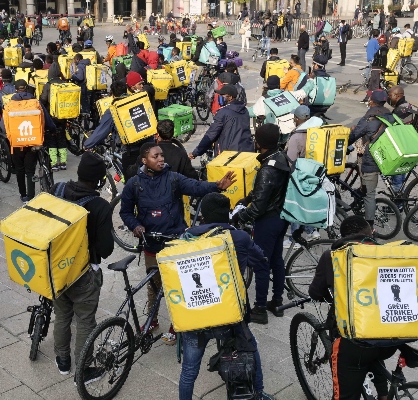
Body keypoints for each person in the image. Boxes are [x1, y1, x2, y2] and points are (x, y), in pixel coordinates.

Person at [120, 142, 236, 342]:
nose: (161, 159)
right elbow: (125, 212)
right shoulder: (134, 184)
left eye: (162, 156)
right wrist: (135, 226)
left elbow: (196, 187)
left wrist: (216, 186)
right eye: (155, 156)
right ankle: (152, 320)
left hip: (175, 243)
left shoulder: (173, 178)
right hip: (151, 246)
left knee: (179, 286)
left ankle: (177, 325)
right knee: (153, 287)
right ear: (144, 160)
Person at [179, 192, 275, 400]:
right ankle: (258, 392)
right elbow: (262, 262)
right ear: (228, 214)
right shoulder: (239, 237)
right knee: (251, 349)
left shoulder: (186, 238)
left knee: (189, 371)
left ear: (203, 215)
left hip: (196, 316)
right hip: (230, 314)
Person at [308, 215, 395, 399]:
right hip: (392, 336)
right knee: (375, 346)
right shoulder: (386, 252)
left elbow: (315, 293)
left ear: (343, 237)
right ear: (370, 233)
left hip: (354, 342)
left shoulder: (332, 256)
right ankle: (384, 394)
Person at [50, 152, 114, 377]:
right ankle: (84, 368)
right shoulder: (100, 206)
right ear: (98, 180)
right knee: (85, 320)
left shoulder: (56, 190)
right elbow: (106, 249)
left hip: (56, 269)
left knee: (62, 316)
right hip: (84, 273)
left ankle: (63, 361)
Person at [233, 124, 291, 324]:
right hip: (281, 216)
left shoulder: (268, 168)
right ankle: (277, 301)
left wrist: (239, 217)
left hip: (268, 220)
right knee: (276, 259)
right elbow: (266, 191)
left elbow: (258, 207)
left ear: (259, 142)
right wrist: (248, 198)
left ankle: (259, 308)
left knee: (261, 263)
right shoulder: (280, 157)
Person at [347, 90, 395, 230]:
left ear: (372, 101)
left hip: (370, 160)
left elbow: (354, 136)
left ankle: (369, 227)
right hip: (385, 158)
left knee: (369, 195)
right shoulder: (390, 116)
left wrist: (348, 136)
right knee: (367, 188)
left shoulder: (369, 118)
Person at [189, 84, 253, 160]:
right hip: (247, 152)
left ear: (230, 97)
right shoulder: (244, 110)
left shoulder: (223, 112)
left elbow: (211, 134)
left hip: (229, 156)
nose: (220, 97)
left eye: (222, 95)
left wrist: (196, 152)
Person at [363, 30, 380, 94]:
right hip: (373, 58)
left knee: (368, 70)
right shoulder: (376, 41)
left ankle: (366, 80)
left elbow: (367, 49)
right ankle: (369, 82)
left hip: (369, 57)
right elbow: (378, 49)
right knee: (374, 71)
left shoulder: (370, 41)